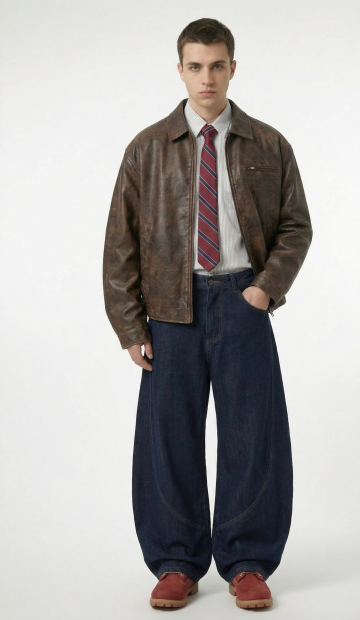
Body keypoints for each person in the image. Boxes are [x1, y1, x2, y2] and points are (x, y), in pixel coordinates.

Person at [103, 17, 312, 610]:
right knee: (168, 437)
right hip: (171, 309)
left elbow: (296, 226)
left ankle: (248, 561)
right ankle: (176, 561)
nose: (207, 78)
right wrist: (130, 325)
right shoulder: (146, 148)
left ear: (233, 68)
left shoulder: (268, 144)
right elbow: (120, 243)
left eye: (217, 65)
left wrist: (264, 290)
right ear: (180, 70)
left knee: (252, 433)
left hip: (244, 299)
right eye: (195, 66)